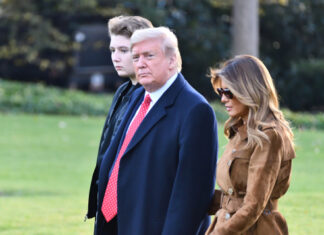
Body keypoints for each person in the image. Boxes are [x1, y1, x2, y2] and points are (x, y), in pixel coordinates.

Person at [96, 27, 218, 235]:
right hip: (117, 223)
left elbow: (192, 195)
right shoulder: (137, 97)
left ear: (172, 60)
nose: (140, 63)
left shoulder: (195, 110)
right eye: (135, 57)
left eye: (149, 56)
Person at [205, 55, 296, 235]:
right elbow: (231, 196)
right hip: (228, 226)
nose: (223, 99)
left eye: (228, 92)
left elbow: (254, 205)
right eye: (221, 92)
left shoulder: (269, 135)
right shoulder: (240, 130)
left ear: (248, 90)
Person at [85, 15, 153, 229]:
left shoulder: (152, 98)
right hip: (106, 202)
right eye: (113, 50)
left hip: (131, 208)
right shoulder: (123, 92)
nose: (116, 57)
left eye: (123, 51)